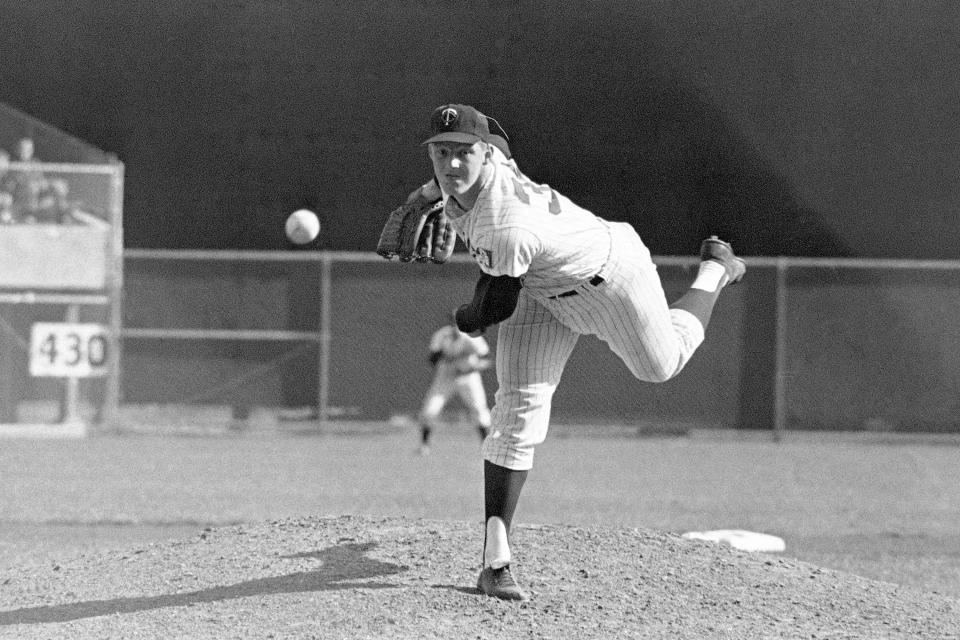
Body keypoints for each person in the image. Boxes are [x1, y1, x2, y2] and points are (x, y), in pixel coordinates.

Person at [407, 104, 746, 601]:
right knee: (516, 410)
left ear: (484, 154)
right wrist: (424, 195)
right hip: (540, 289)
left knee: (661, 365)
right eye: (441, 152)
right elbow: (458, 178)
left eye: (464, 152)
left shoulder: (507, 224)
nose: (452, 164)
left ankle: (715, 271)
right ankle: (495, 561)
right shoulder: (482, 166)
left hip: (609, 278)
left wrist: (461, 319)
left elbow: (492, 306)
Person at [416, 315, 492, 455]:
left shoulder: (471, 336)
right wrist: (442, 353)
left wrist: (471, 367)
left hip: (468, 377)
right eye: (454, 322)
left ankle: (486, 446)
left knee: (479, 410)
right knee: (430, 410)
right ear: (450, 323)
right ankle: (424, 445)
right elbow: (432, 360)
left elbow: (486, 358)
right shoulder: (442, 335)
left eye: (460, 322)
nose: (456, 326)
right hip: (446, 377)